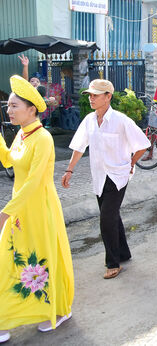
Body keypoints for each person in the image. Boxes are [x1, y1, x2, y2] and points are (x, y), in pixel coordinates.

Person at [0, 75, 74, 343]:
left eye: (13, 106)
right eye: (8, 106)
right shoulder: (22, 133)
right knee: (10, 258)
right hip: (19, 207)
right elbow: (10, 160)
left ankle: (54, 310)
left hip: (38, 208)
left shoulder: (43, 139)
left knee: (40, 258)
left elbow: (33, 182)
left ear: (32, 109)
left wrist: (6, 213)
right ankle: (6, 317)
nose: (9, 111)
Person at [61, 79, 150, 279]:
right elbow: (79, 147)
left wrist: (131, 163)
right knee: (111, 215)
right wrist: (69, 170)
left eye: (95, 95)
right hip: (99, 176)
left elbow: (143, 144)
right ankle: (124, 253)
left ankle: (113, 263)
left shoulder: (121, 120)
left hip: (118, 176)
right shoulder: (89, 121)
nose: (91, 98)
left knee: (106, 218)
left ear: (108, 96)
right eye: (90, 95)